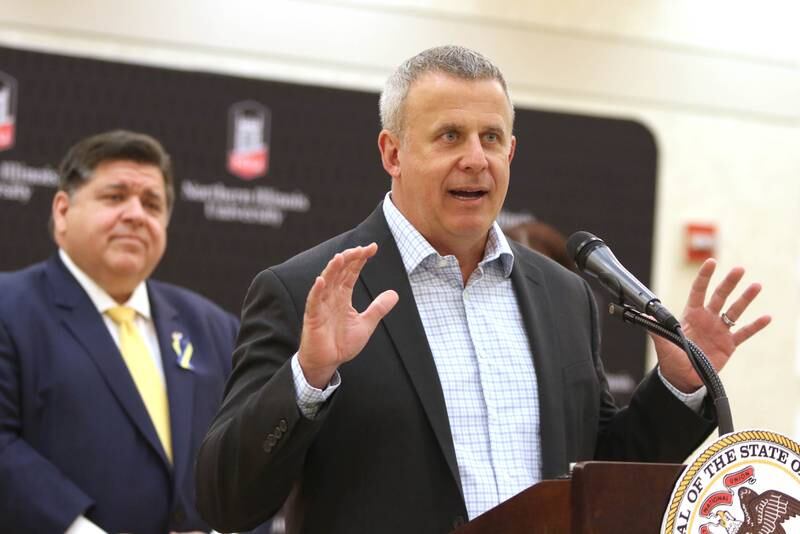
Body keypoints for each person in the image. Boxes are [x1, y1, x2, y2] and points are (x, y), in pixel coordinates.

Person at [195, 46, 770, 534]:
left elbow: (600, 474)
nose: (475, 159)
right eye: (450, 136)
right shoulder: (305, 291)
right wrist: (308, 377)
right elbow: (227, 501)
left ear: (511, 153)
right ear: (392, 153)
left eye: (491, 137)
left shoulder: (563, 295)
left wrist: (678, 385)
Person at [0, 130, 240, 533]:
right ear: (62, 211)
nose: (135, 214)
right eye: (114, 197)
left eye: (151, 203)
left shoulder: (214, 327)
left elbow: (249, 454)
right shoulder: (9, 308)